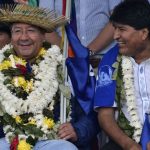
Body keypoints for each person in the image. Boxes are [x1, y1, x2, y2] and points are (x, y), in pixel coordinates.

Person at [0, 4, 77, 150]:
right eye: (17, 31)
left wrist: (77, 130)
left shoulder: (63, 65)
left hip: (50, 139)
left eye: (30, 31)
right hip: (8, 139)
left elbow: (86, 112)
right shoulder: (0, 64)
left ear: (43, 35)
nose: (23, 37)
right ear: (11, 37)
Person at [94, 0, 150, 149]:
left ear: (144, 33)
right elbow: (105, 115)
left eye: (121, 29)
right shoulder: (110, 60)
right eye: (115, 29)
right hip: (126, 141)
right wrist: (129, 145)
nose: (115, 36)